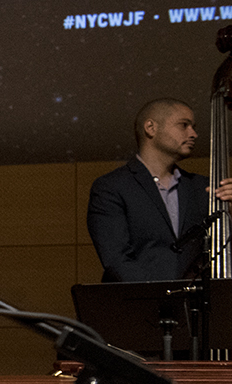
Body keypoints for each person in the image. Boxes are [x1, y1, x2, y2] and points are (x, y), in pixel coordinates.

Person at [87, 98, 232, 281]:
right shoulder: (111, 187)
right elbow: (116, 259)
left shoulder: (203, 187)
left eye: (193, 127)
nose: (193, 134)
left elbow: (221, 253)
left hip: (194, 306)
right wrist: (162, 297)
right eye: (184, 125)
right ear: (151, 128)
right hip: (138, 303)